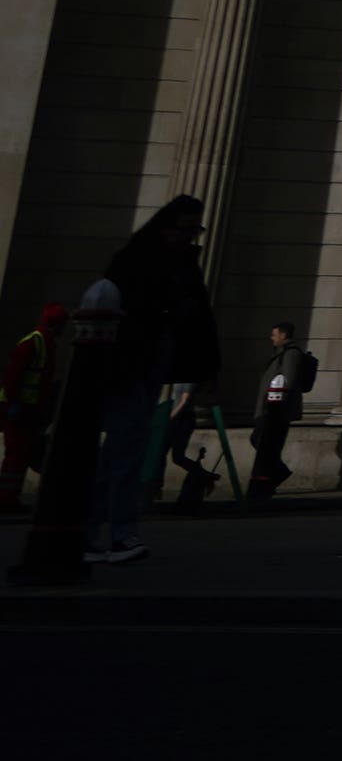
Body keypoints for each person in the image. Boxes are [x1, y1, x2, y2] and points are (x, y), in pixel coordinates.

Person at [93, 194, 220, 564]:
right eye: (187, 229)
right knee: (124, 450)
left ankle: (108, 533)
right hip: (130, 364)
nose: (191, 237)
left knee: (122, 451)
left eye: (196, 229)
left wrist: (207, 370)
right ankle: (114, 534)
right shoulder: (138, 262)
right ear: (168, 226)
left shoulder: (181, 264)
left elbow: (201, 318)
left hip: (153, 364)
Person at [1, 300, 62, 511]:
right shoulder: (36, 342)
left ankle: (10, 496)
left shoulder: (44, 342)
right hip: (19, 407)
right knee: (16, 455)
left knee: (20, 454)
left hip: (28, 408)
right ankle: (6, 498)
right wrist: (14, 403)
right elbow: (13, 376)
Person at [246, 323, 315, 500]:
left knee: (266, 445)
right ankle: (274, 476)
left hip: (275, 410)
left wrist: (275, 407)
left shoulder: (290, 354)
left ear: (283, 335)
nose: (272, 338)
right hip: (269, 409)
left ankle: (272, 478)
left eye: (274, 334)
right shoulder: (281, 354)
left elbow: (288, 381)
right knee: (261, 442)